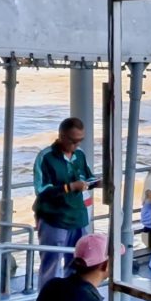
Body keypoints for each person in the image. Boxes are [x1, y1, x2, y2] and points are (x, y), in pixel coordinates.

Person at [34, 117, 97, 285]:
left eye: (80, 141)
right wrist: (69, 187)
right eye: (73, 141)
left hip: (78, 217)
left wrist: (96, 183)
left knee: (78, 262)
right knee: (51, 264)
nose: (76, 145)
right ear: (61, 136)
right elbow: (41, 190)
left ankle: (72, 299)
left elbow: (87, 178)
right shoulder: (45, 157)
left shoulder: (80, 155)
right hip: (54, 218)